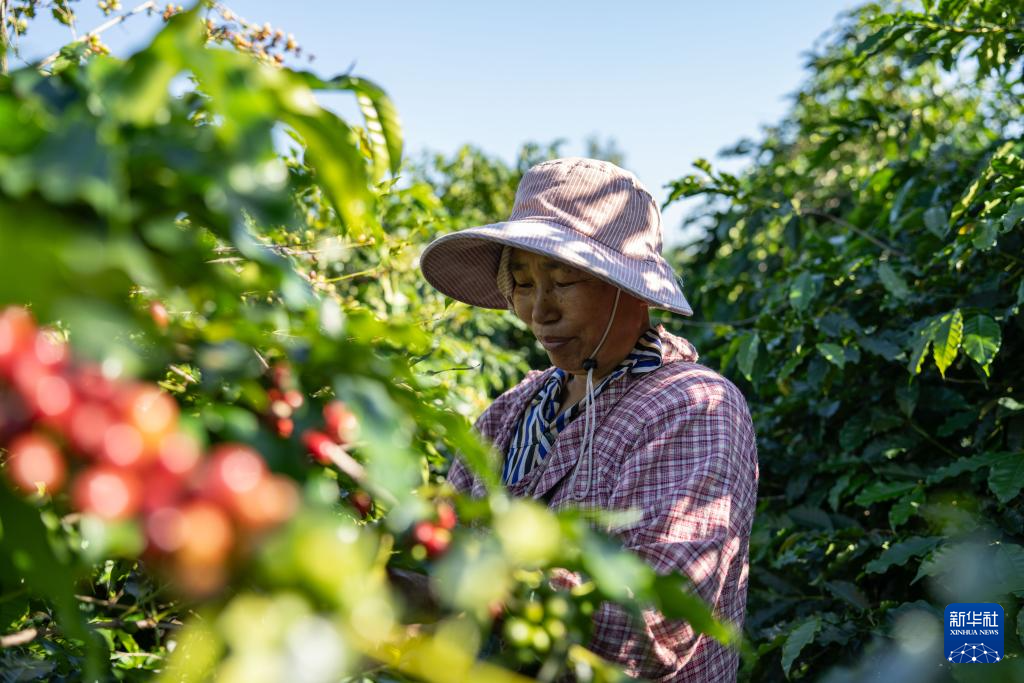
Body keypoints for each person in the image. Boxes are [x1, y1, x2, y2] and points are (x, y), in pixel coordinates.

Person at [419, 157, 758, 682]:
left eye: (564, 281)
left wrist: (487, 587)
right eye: (523, 283)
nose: (540, 312)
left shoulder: (694, 408)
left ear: (630, 287)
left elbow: (657, 624)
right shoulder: (511, 413)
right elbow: (444, 541)